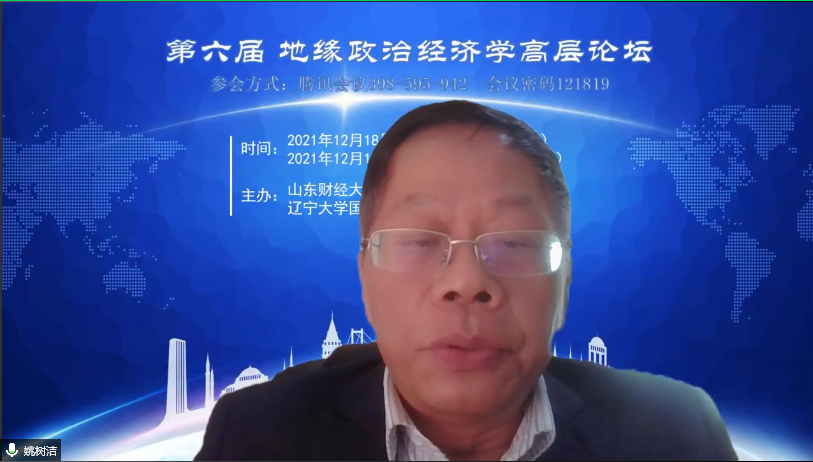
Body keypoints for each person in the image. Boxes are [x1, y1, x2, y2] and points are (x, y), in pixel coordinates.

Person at [195, 101, 738, 461]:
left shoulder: (675, 435)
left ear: (565, 279)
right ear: (365, 275)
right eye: (419, 241)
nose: (467, 280)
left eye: (515, 242)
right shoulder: (256, 436)